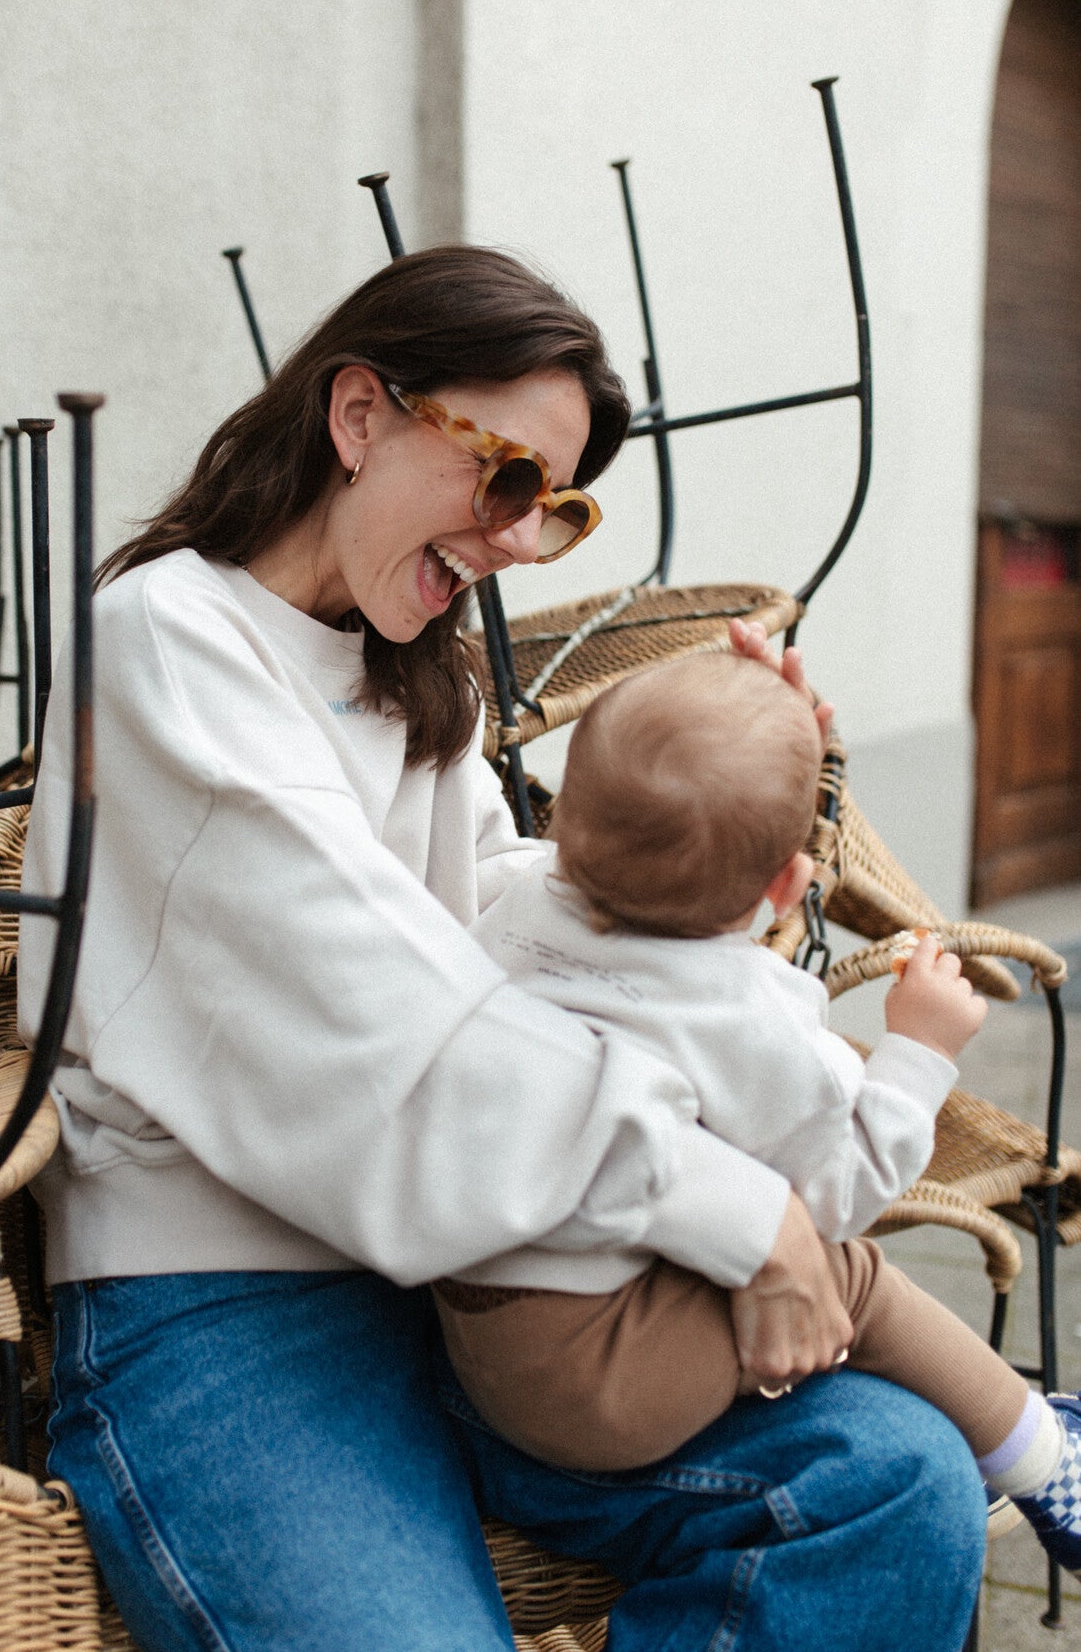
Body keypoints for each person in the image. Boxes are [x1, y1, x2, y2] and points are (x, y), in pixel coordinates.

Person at [18, 245, 984, 1652]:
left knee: (896, 1486)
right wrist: (748, 1216)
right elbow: (406, 1025)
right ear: (359, 415)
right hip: (222, 1318)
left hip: (480, 1299)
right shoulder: (167, 639)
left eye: (558, 506)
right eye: (509, 478)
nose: (524, 541)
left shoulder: (406, 674)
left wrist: (746, 828)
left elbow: (526, 931)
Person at [435, 654, 1081, 1585]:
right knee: (851, 1277)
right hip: (600, 1386)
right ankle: (1041, 1461)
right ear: (788, 885)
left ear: (565, 818)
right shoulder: (741, 1018)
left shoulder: (519, 904)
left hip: (477, 1329)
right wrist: (919, 1049)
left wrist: (749, 736)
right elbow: (844, 1192)